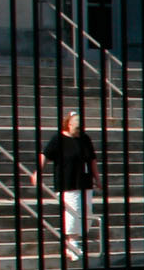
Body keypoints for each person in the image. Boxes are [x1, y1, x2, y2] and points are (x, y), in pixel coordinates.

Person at [28, 110, 100, 261]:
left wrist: (97, 179)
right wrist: (37, 172)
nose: (79, 130)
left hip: (84, 181)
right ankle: (72, 244)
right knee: (73, 211)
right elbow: (45, 155)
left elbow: (92, 159)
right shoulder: (59, 139)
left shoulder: (84, 139)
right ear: (68, 124)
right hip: (67, 182)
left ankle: (75, 241)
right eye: (76, 127)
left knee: (86, 212)